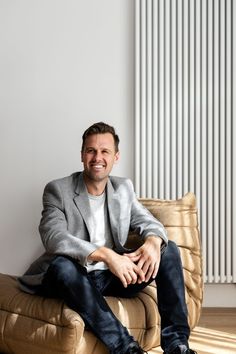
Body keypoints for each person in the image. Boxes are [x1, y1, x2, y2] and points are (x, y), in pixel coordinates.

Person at [19, 122, 197, 354]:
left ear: (116, 157)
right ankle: (127, 348)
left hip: (112, 276)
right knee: (62, 266)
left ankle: (176, 344)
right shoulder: (57, 190)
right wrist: (107, 255)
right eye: (91, 150)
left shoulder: (123, 188)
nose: (97, 157)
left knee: (168, 248)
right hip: (72, 276)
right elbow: (54, 237)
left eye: (105, 151)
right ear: (82, 155)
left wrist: (153, 241)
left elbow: (149, 221)